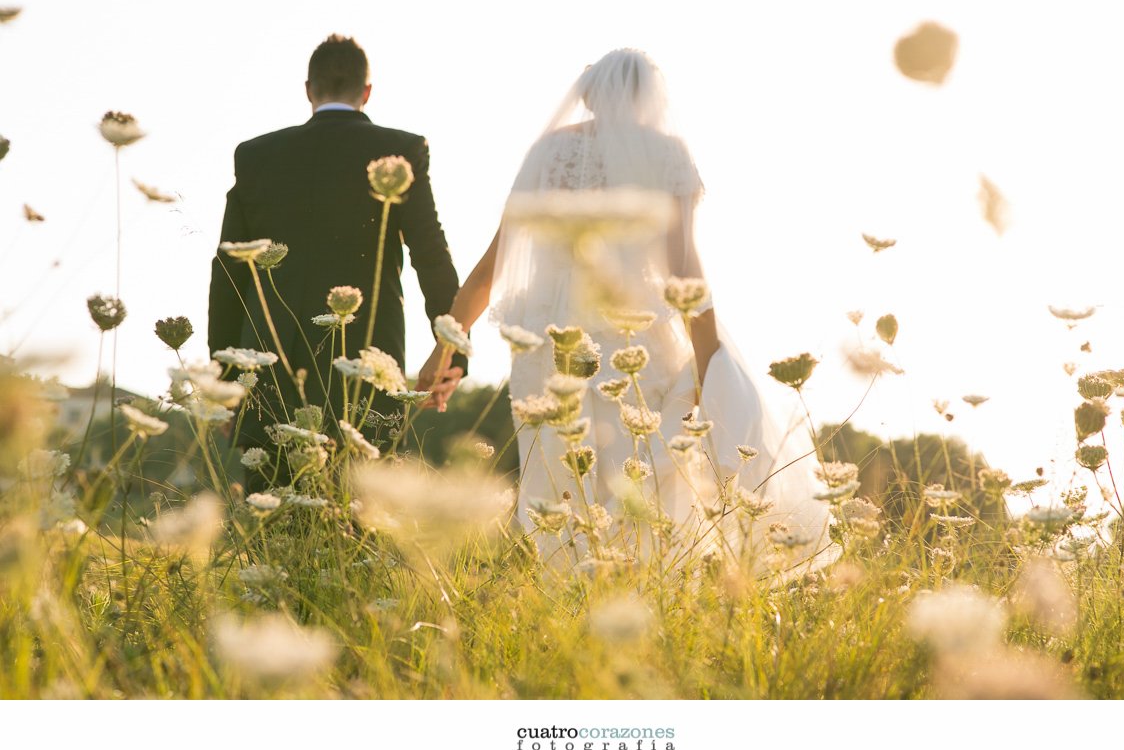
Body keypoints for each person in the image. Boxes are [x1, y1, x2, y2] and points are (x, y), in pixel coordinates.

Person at [420, 48, 833, 572]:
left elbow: (488, 270)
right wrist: (709, 360)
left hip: (549, 349)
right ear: (651, 100)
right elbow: (683, 268)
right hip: (635, 339)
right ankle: (641, 605)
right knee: (647, 486)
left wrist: (445, 350)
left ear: (589, 95)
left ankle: (570, 606)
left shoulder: (548, 154)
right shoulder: (663, 153)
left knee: (560, 489)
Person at [208, 34, 465, 475]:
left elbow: (229, 272)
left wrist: (227, 382)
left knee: (272, 524)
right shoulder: (401, 150)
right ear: (367, 92)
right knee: (359, 515)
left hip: (270, 367)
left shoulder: (256, 156)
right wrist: (452, 353)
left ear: (308, 88)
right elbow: (431, 254)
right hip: (368, 365)